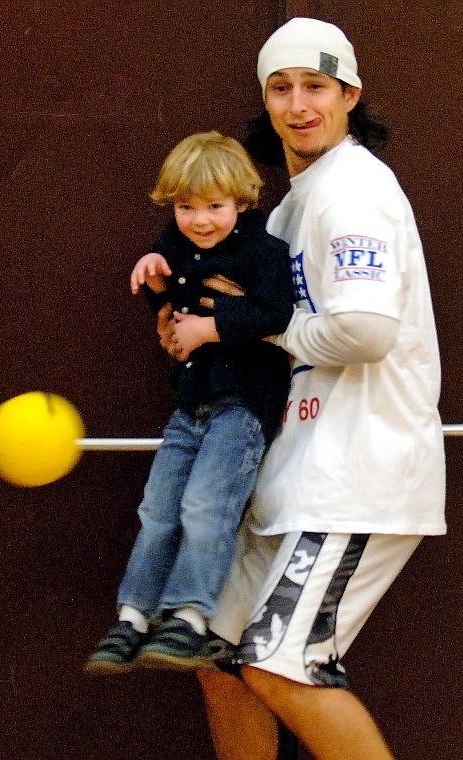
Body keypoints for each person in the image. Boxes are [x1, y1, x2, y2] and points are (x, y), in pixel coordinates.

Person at [142, 17, 447, 760]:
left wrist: (258, 328)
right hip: (294, 470)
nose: (298, 103)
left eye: (316, 86)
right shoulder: (286, 208)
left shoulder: (353, 193)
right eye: (281, 88)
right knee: (215, 654)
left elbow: (365, 332)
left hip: (357, 471)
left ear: (350, 95)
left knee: (283, 668)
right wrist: (195, 328)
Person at [84, 131, 294, 673]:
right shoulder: (175, 246)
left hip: (242, 406)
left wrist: (212, 326)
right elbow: (172, 300)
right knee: (158, 509)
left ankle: (190, 617)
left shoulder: (262, 252)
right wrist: (154, 276)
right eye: (186, 207)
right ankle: (133, 615)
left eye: (215, 207)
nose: (200, 220)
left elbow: (274, 314)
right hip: (191, 403)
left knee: (205, 508)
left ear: (242, 203)